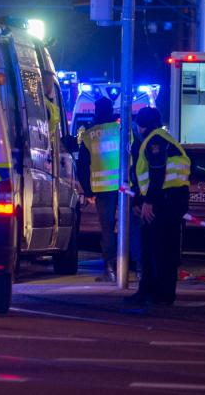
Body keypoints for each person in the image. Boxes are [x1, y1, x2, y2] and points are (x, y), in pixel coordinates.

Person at [125, 108, 190, 306]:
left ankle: (156, 293)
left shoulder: (155, 140)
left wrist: (148, 202)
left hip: (163, 202)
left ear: (141, 125)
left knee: (155, 250)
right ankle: (159, 293)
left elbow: (157, 173)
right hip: (171, 200)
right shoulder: (165, 138)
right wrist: (140, 200)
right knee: (163, 250)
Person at [76, 97, 122, 281]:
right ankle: (138, 268)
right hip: (125, 187)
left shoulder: (89, 135)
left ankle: (110, 269)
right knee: (131, 228)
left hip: (102, 189)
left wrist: (88, 192)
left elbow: (82, 166)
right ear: (111, 110)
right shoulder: (121, 130)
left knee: (107, 230)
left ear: (96, 111)